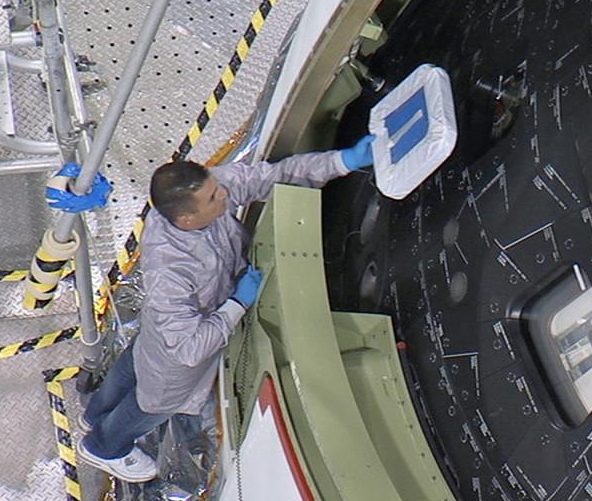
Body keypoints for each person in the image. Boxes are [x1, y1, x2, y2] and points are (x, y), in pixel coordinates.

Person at [72, 136, 375, 482]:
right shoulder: (170, 270)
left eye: (217, 188)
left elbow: (265, 178)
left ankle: (94, 414)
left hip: (158, 336)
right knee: (152, 404)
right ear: (187, 219)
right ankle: (104, 446)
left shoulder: (203, 191)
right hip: (176, 356)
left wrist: (341, 162)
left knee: (134, 363)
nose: (225, 195)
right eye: (215, 198)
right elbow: (190, 348)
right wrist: (237, 304)